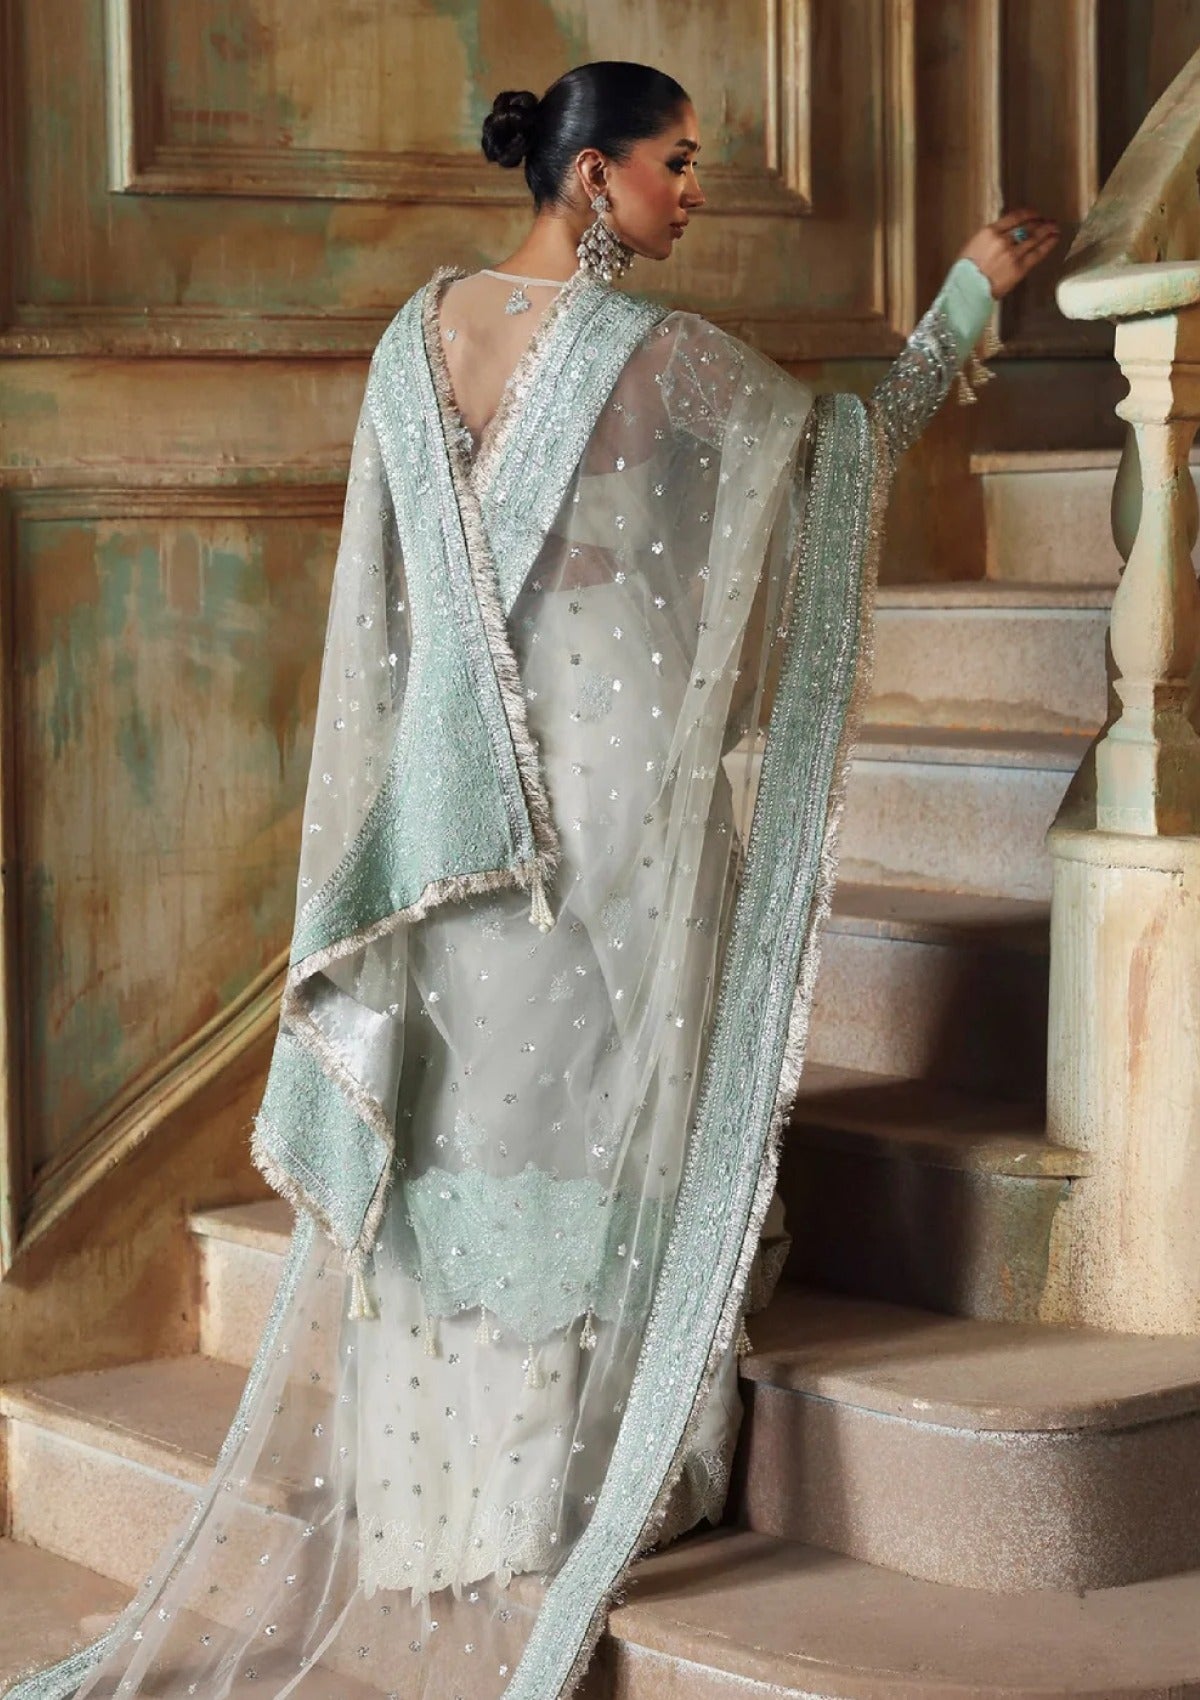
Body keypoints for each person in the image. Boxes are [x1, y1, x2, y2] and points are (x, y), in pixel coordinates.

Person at [6, 60, 1057, 1700]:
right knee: (585, 1117)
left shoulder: (413, 337)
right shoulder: (652, 355)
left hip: (449, 822)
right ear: (592, 179)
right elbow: (848, 454)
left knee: (477, 1130)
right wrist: (966, 298)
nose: (693, 191)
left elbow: (397, 611)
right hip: (607, 800)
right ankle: (573, 1481)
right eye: (675, 163)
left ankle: (448, 1496)